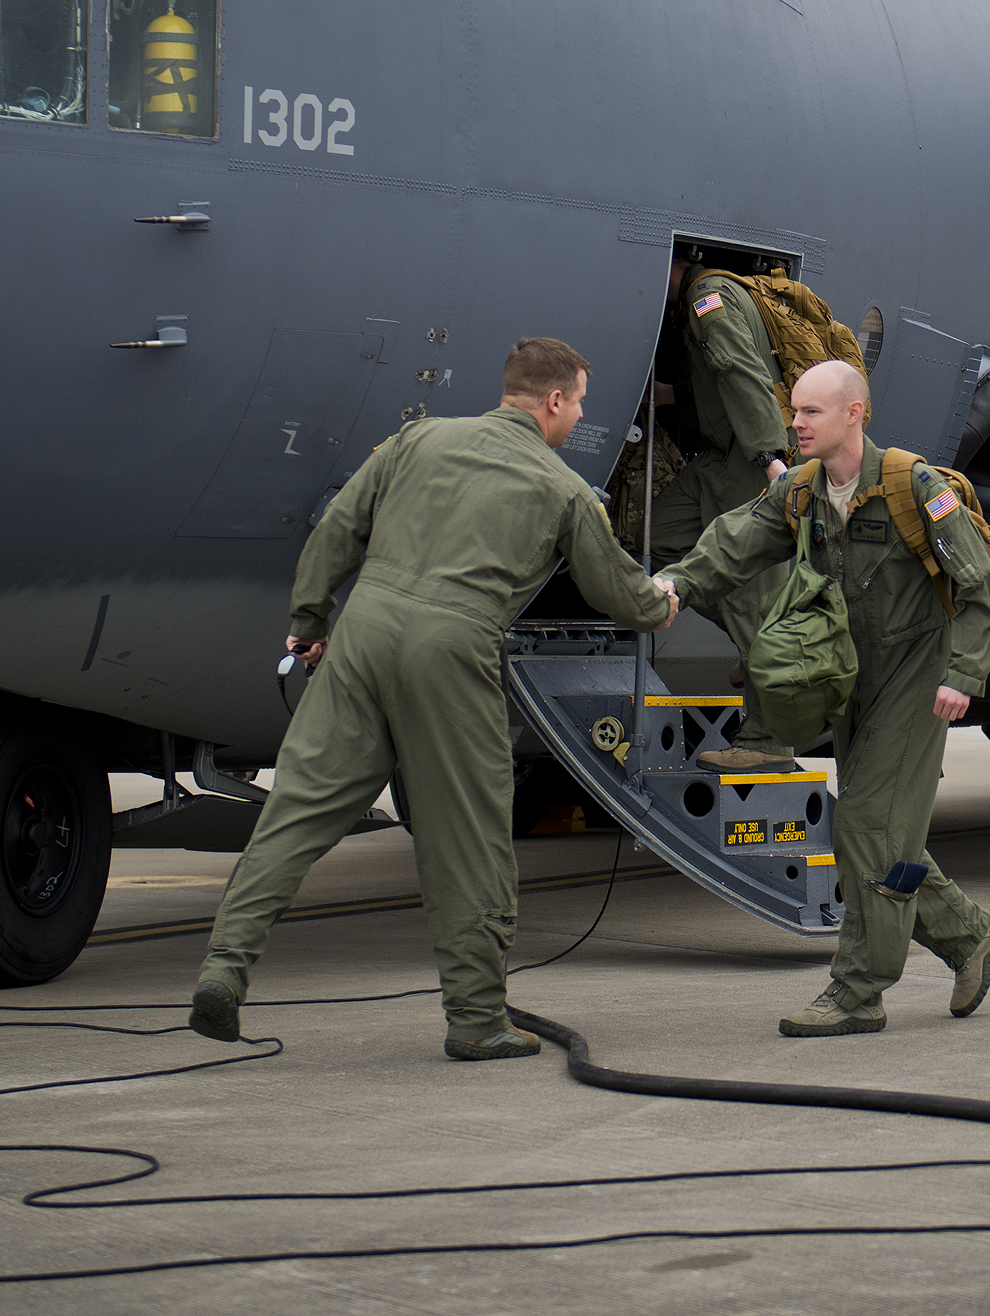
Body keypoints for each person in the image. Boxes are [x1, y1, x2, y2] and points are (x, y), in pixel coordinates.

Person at [190, 337, 678, 1061]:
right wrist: (660, 603)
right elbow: (621, 596)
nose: (579, 416)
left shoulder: (416, 439)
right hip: (451, 647)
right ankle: (477, 1019)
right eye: (578, 403)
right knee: (467, 838)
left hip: (364, 629)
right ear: (553, 400)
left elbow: (339, 526)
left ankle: (224, 970)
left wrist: (310, 623)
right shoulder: (565, 488)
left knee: (297, 811)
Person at [657, 359, 990, 1036]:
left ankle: (858, 989)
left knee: (868, 828)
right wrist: (675, 584)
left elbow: (979, 587)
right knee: (878, 832)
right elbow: (735, 543)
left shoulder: (916, 487)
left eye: (810, 412)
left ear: (855, 413)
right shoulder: (801, 491)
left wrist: (963, 674)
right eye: (793, 411)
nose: (795, 424)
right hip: (851, 679)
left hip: (916, 675)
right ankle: (969, 934)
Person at [651, 251, 799, 774]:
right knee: (658, 534)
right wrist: (670, 395)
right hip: (719, 456)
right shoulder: (715, 294)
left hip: (747, 460)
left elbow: (740, 371)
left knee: (753, 598)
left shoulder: (705, 296)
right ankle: (749, 642)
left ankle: (770, 742)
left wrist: (769, 457)